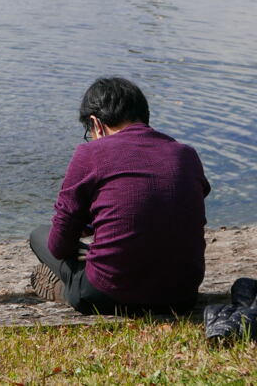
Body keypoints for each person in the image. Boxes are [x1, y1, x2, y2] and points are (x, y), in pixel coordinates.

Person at [29, 77, 210, 315]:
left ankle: (65, 291)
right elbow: (164, 206)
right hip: (182, 295)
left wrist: (83, 228)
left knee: (40, 236)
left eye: (89, 131)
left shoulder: (90, 153)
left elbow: (59, 246)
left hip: (106, 295)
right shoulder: (185, 154)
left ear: (96, 123)